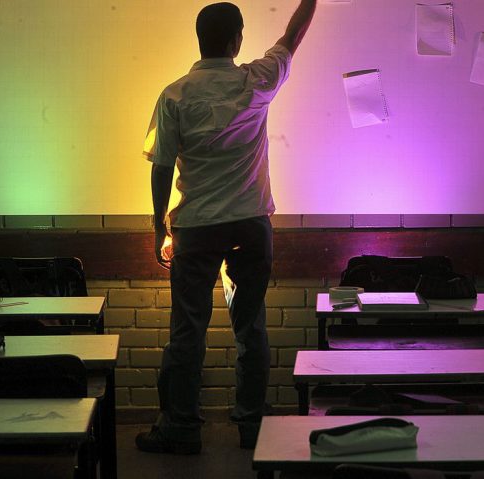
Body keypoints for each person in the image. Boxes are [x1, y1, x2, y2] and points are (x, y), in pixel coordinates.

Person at [136, 1, 317, 454]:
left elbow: (161, 167)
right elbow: (292, 38)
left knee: (188, 330)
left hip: (197, 228)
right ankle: (252, 426)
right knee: (250, 328)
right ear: (237, 39)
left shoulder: (175, 95)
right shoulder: (256, 81)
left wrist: (159, 228)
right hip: (250, 225)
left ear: (200, 40)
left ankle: (181, 427)